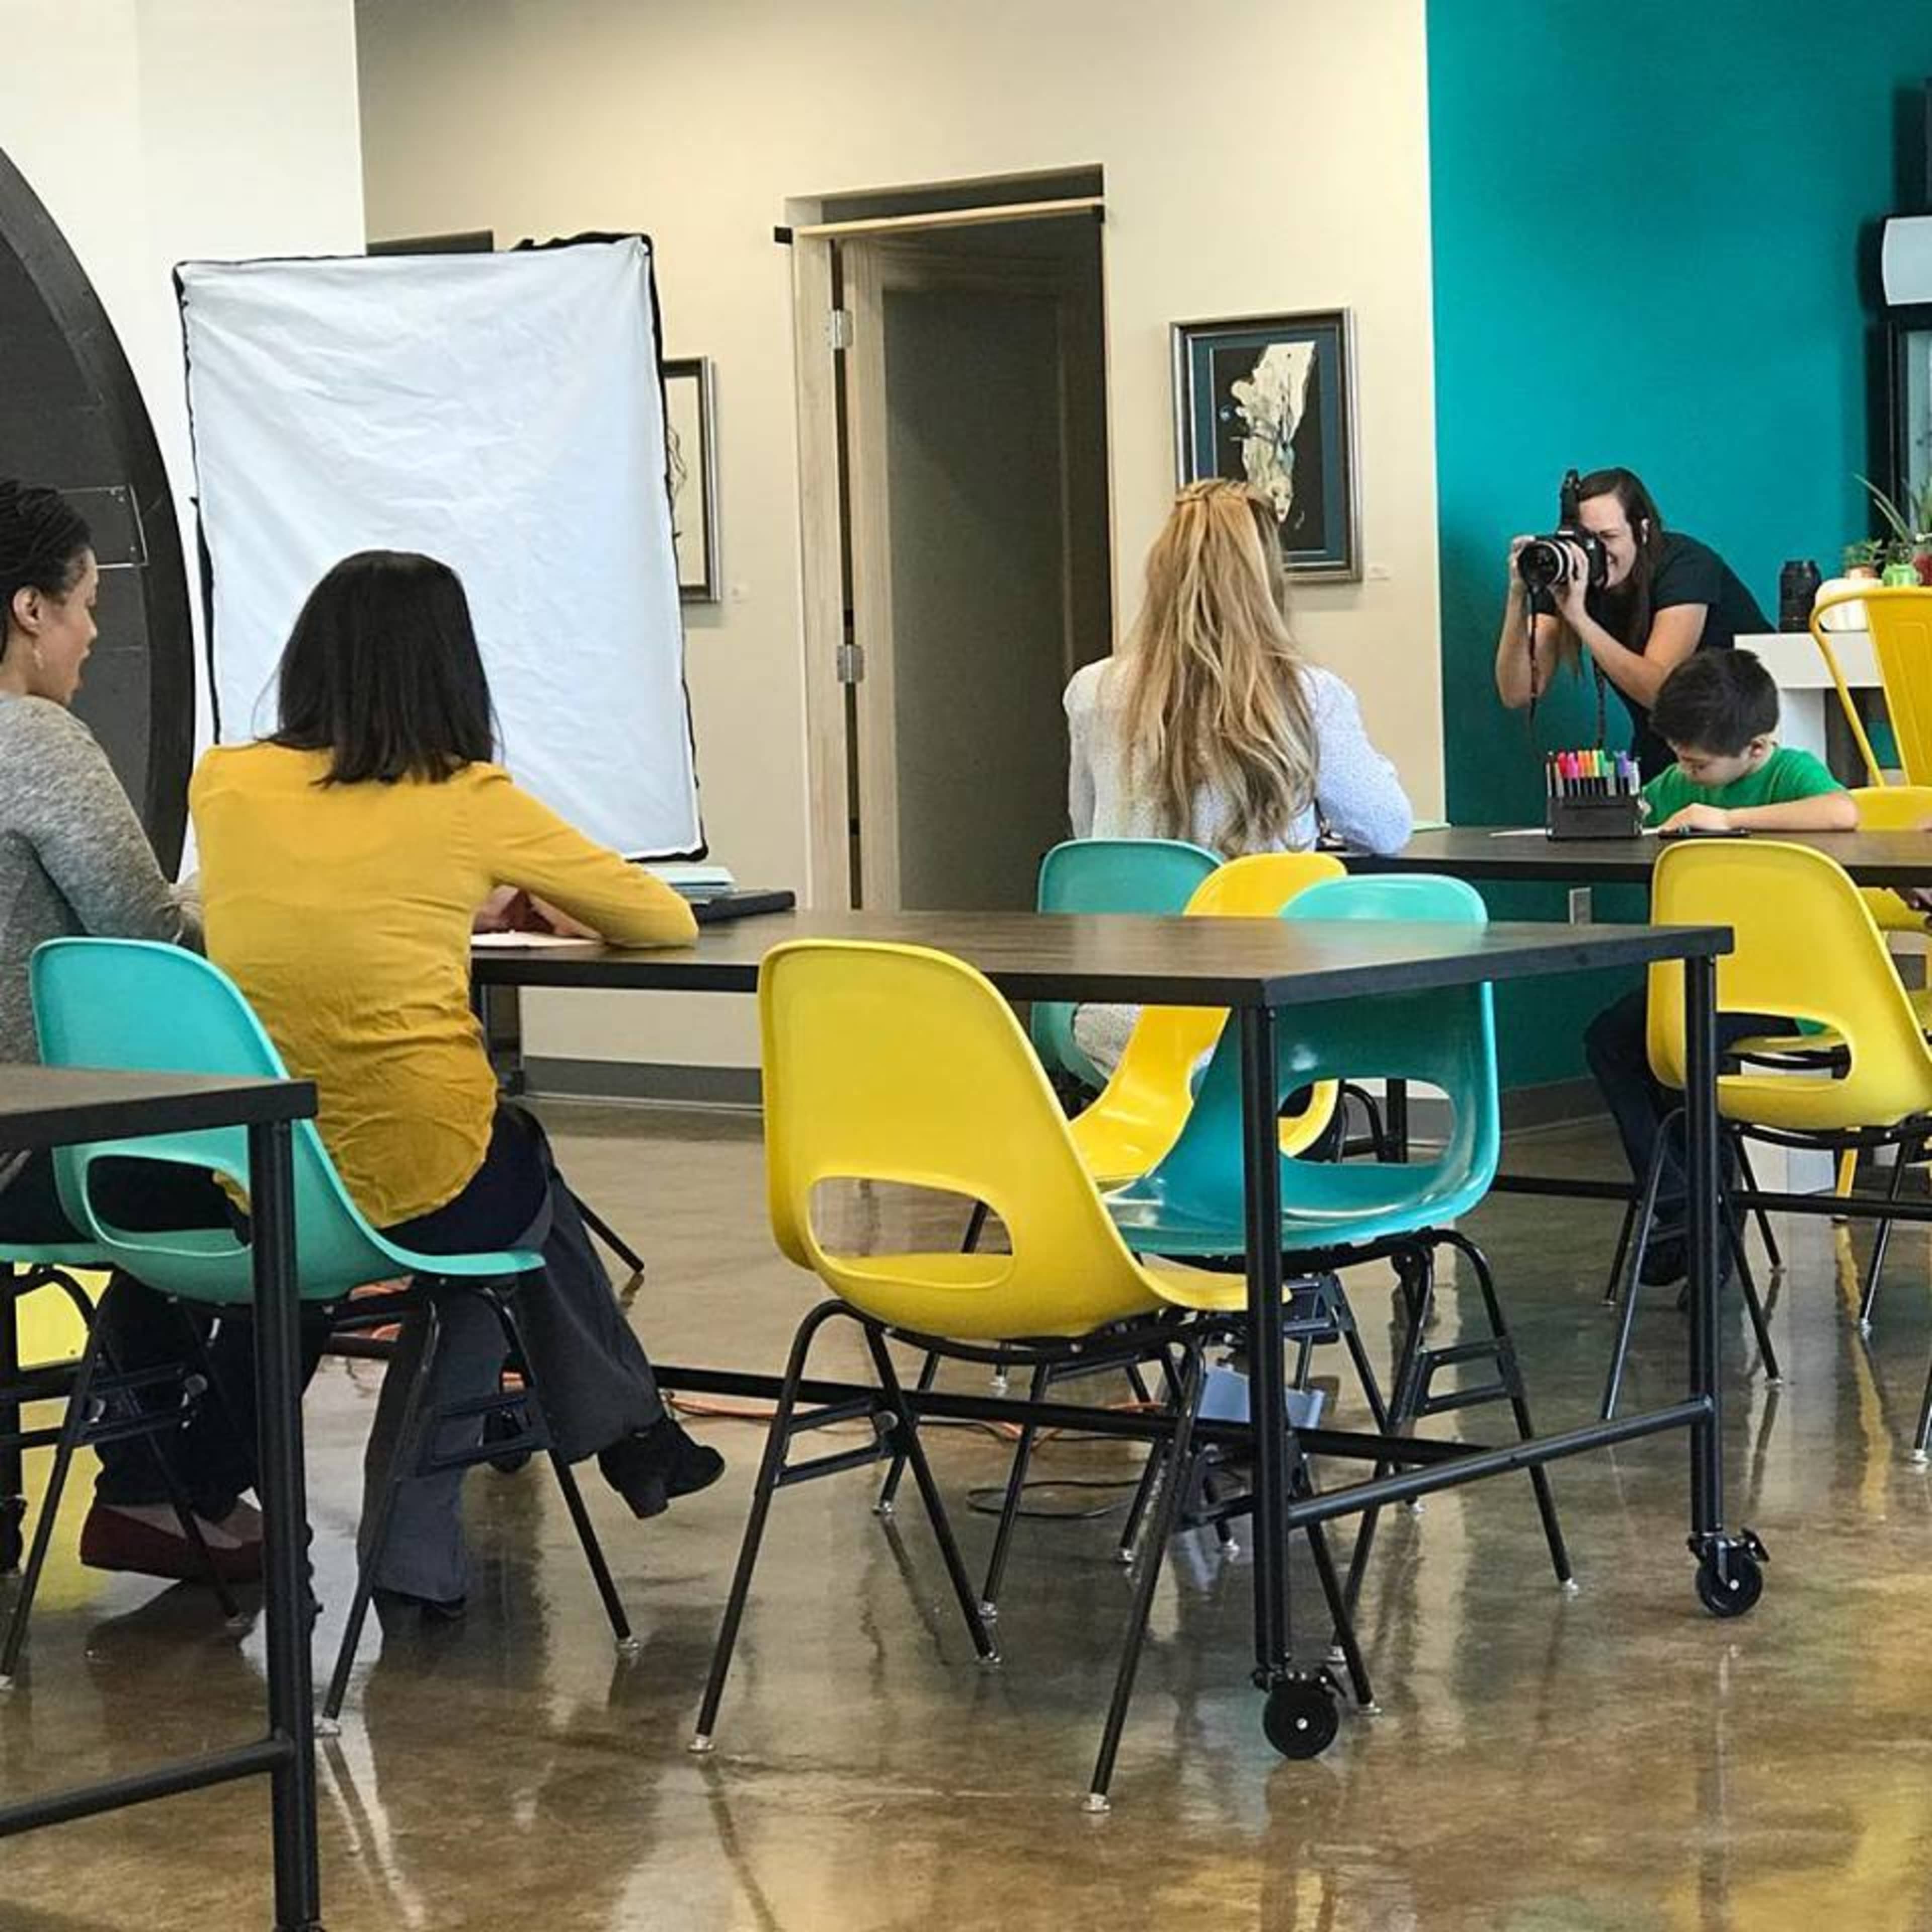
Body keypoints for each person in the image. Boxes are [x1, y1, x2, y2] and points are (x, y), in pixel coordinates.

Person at [189, 549, 719, 1615]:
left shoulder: (225, 783)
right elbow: (667, 917)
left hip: (267, 1178)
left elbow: (316, 904)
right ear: (452, 672)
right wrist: (521, 898)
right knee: (505, 1206)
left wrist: (446, 902)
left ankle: (620, 1445)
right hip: (415, 1176)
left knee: (508, 1198)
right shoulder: (470, 798)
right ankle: (613, 1440)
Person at [0, 478, 280, 1582]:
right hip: (33, 1150)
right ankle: (166, 1487)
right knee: (260, 1196)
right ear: (31, 610)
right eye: (86, 604)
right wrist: (245, 891)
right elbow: (150, 933)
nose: (92, 633)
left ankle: (149, 1488)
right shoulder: (35, 740)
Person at [1064, 478, 1413, 1070]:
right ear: (1267, 581)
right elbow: (1387, 827)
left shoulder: (1093, 691)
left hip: (1111, 1016)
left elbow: (1088, 837)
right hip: (1251, 1023)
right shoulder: (1305, 696)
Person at [1582, 649, 1856, 1285]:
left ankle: (1696, 1217)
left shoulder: (1788, 771)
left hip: (1788, 986)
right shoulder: (1681, 783)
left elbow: (1842, 813)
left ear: (1756, 748)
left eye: (1698, 762)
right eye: (1680, 757)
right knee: (1613, 1041)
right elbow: (1641, 811)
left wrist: (1729, 820)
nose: (1686, 771)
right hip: (1702, 981)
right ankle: (1685, 1204)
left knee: (1686, 1055)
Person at [1494, 466, 1771, 777]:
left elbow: (1661, 691)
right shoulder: (1569, 572)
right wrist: (1519, 593)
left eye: (1607, 537)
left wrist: (1580, 619)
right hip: (1664, 748)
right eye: (1585, 539)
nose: (1594, 551)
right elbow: (1517, 692)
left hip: (1739, 748)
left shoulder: (1685, 565)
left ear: (1642, 531)